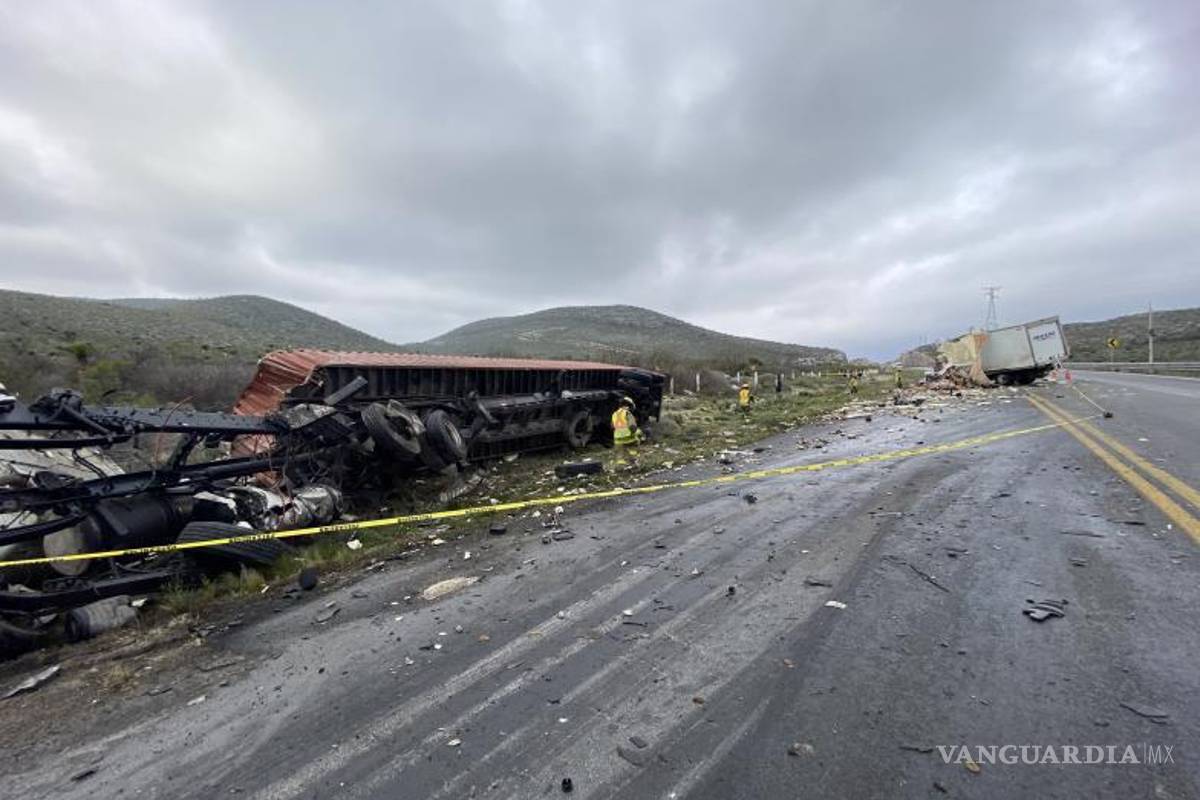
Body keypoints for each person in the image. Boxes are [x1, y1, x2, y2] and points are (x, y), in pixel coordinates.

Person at [610, 395, 643, 467]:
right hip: (628, 437)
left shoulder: (614, 414)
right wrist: (637, 433)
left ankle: (620, 464)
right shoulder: (627, 413)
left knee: (620, 452)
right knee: (634, 445)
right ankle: (633, 460)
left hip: (617, 439)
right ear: (629, 406)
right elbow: (632, 426)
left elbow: (612, 426)